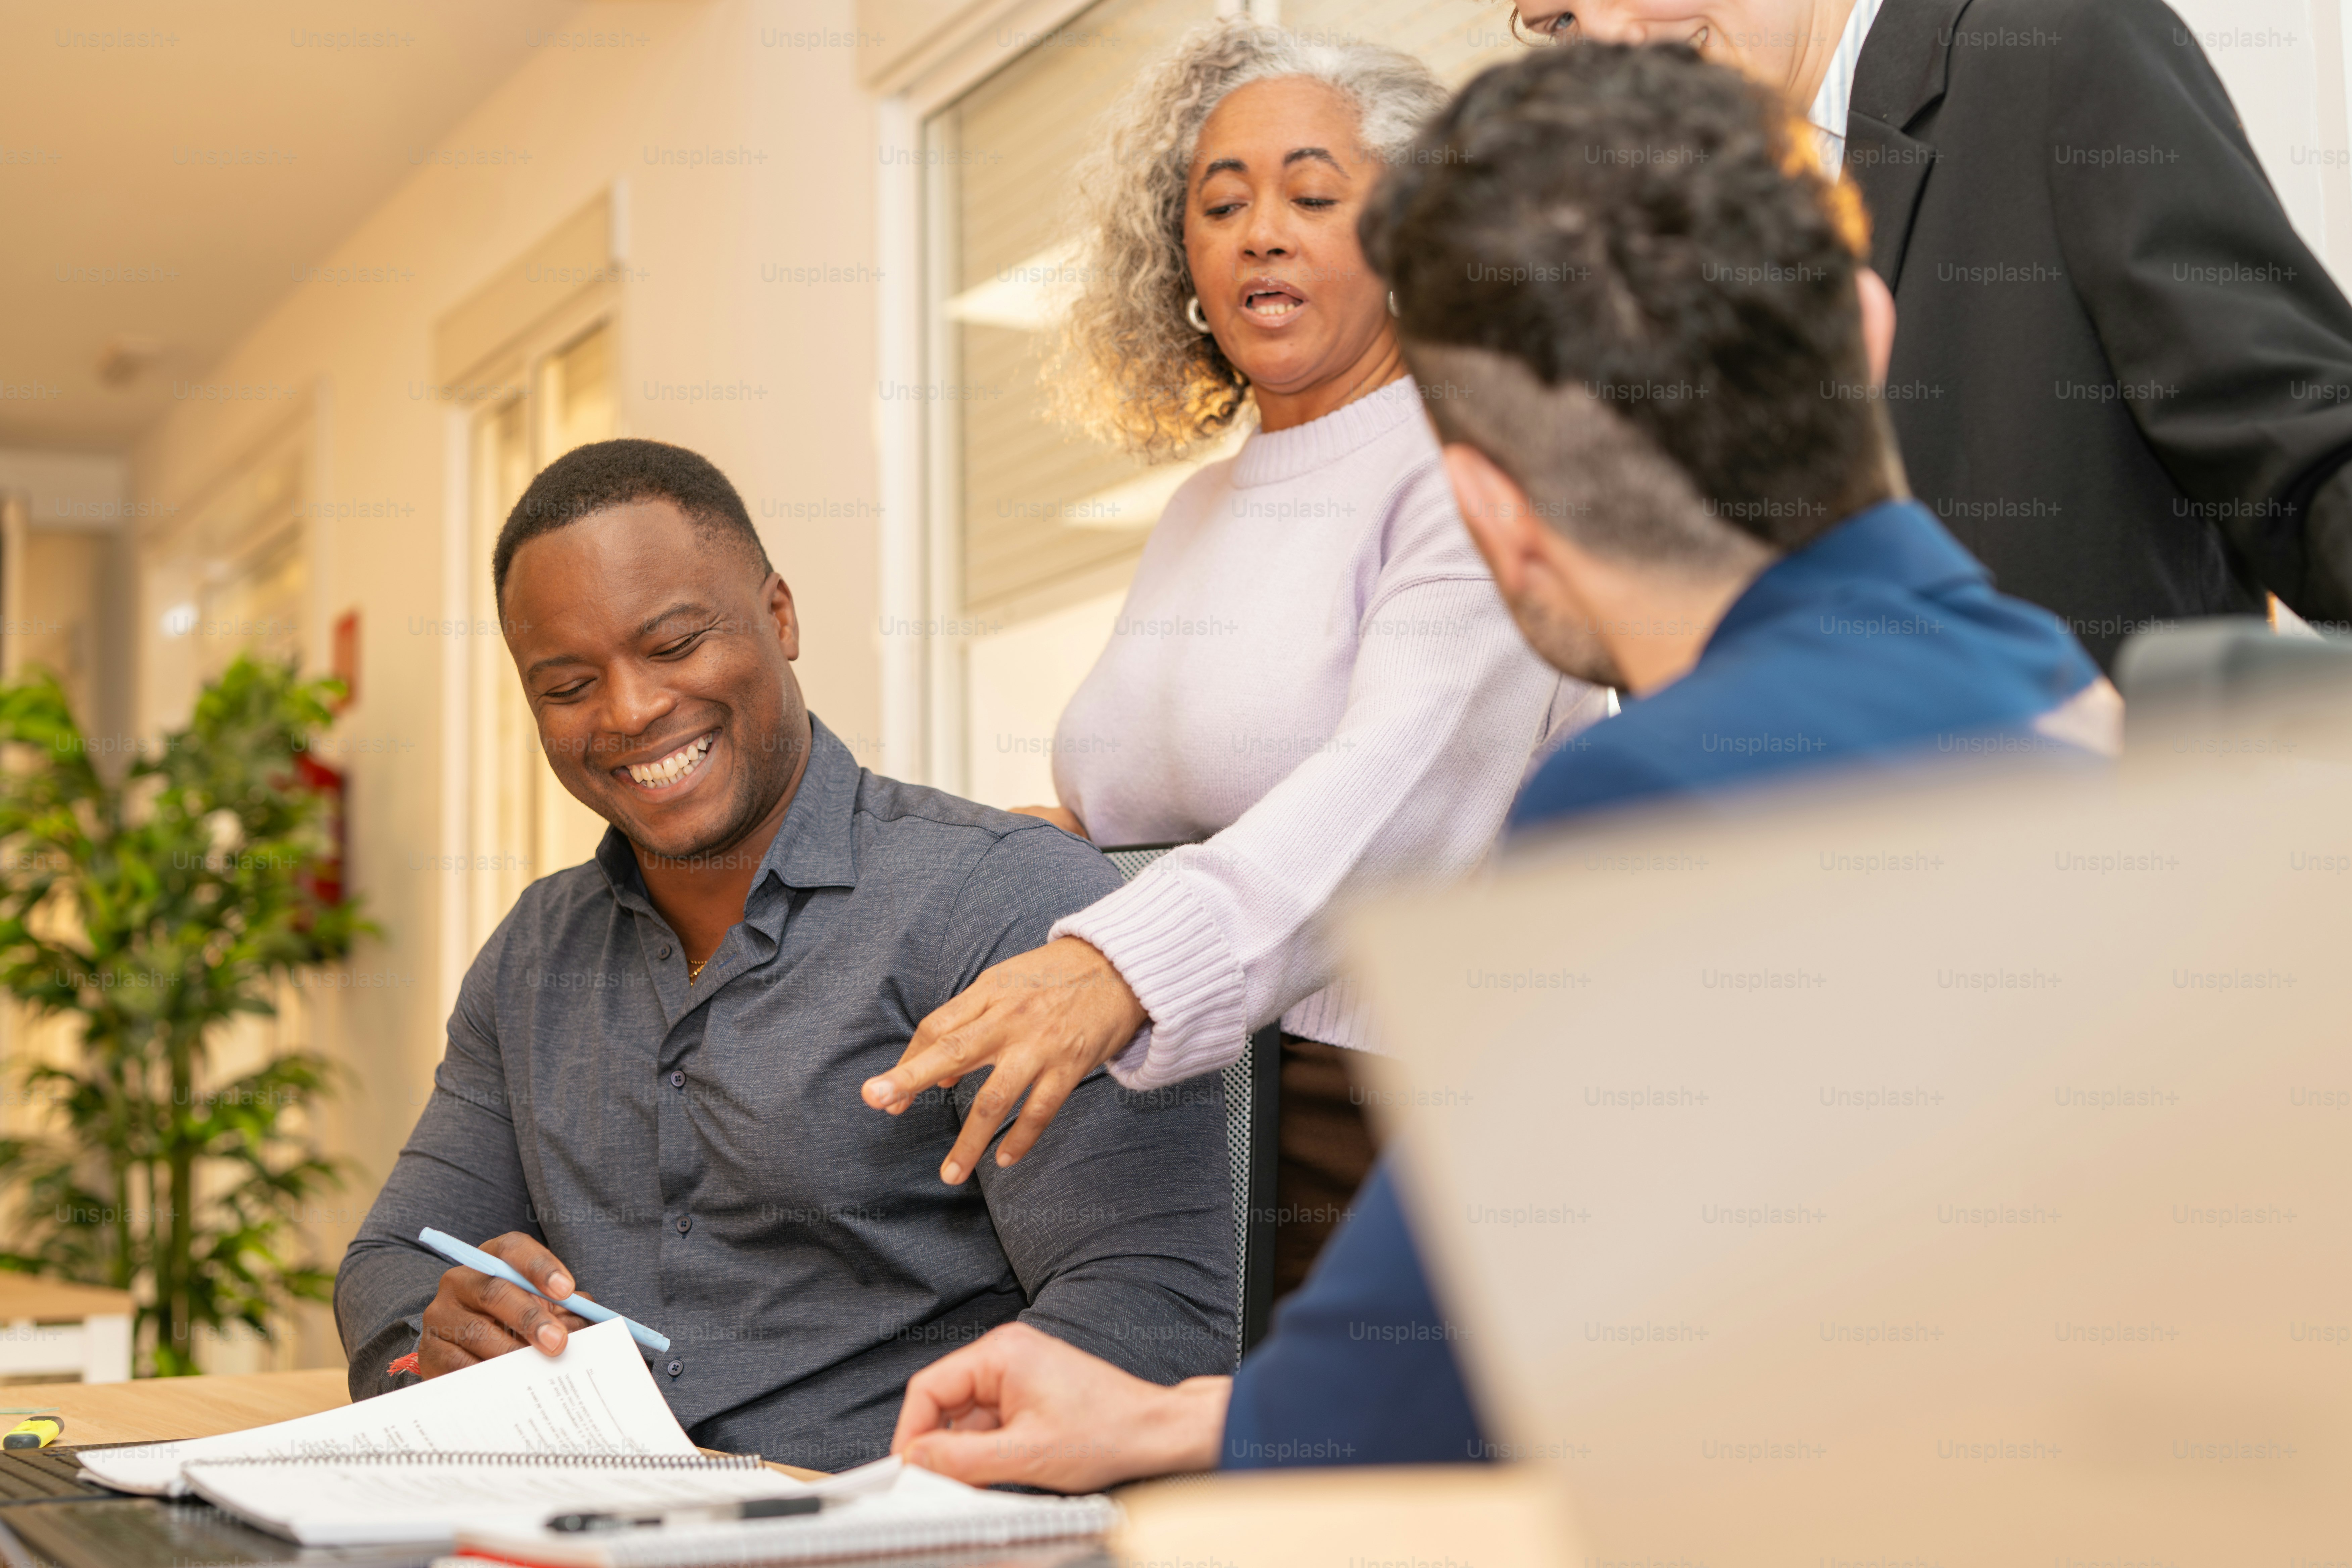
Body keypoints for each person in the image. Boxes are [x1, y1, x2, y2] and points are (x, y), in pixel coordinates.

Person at [885, 39, 2113, 1490]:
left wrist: (1163, 1430)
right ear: (1865, 331)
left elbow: (1399, 1392)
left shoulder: (1651, 808)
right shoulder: (2066, 695)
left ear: (1488, 513)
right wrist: (1168, 1416)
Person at [859, 20, 1594, 1296]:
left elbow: (1394, 800)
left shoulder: (1477, 463)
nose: (1261, 230)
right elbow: (1134, 801)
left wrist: (1117, 960)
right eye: (1220, 202)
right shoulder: (1200, 513)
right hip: (1180, 1119)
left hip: (1379, 1124)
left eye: (1314, 194)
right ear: (1180, 263)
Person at [335, 439, 1234, 1471]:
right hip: (594, 1518)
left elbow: (1155, 1305)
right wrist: (443, 1339)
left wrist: (925, 1483)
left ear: (779, 615)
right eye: (570, 684)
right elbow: (391, 1261)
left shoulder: (1002, 902)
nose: (629, 712)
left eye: (673, 644)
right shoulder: (533, 954)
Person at [1508, 0, 2352, 670]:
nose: (1609, 41)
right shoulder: (1673, 223)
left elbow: (2301, 450)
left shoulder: (2055, 50)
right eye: (1560, 23)